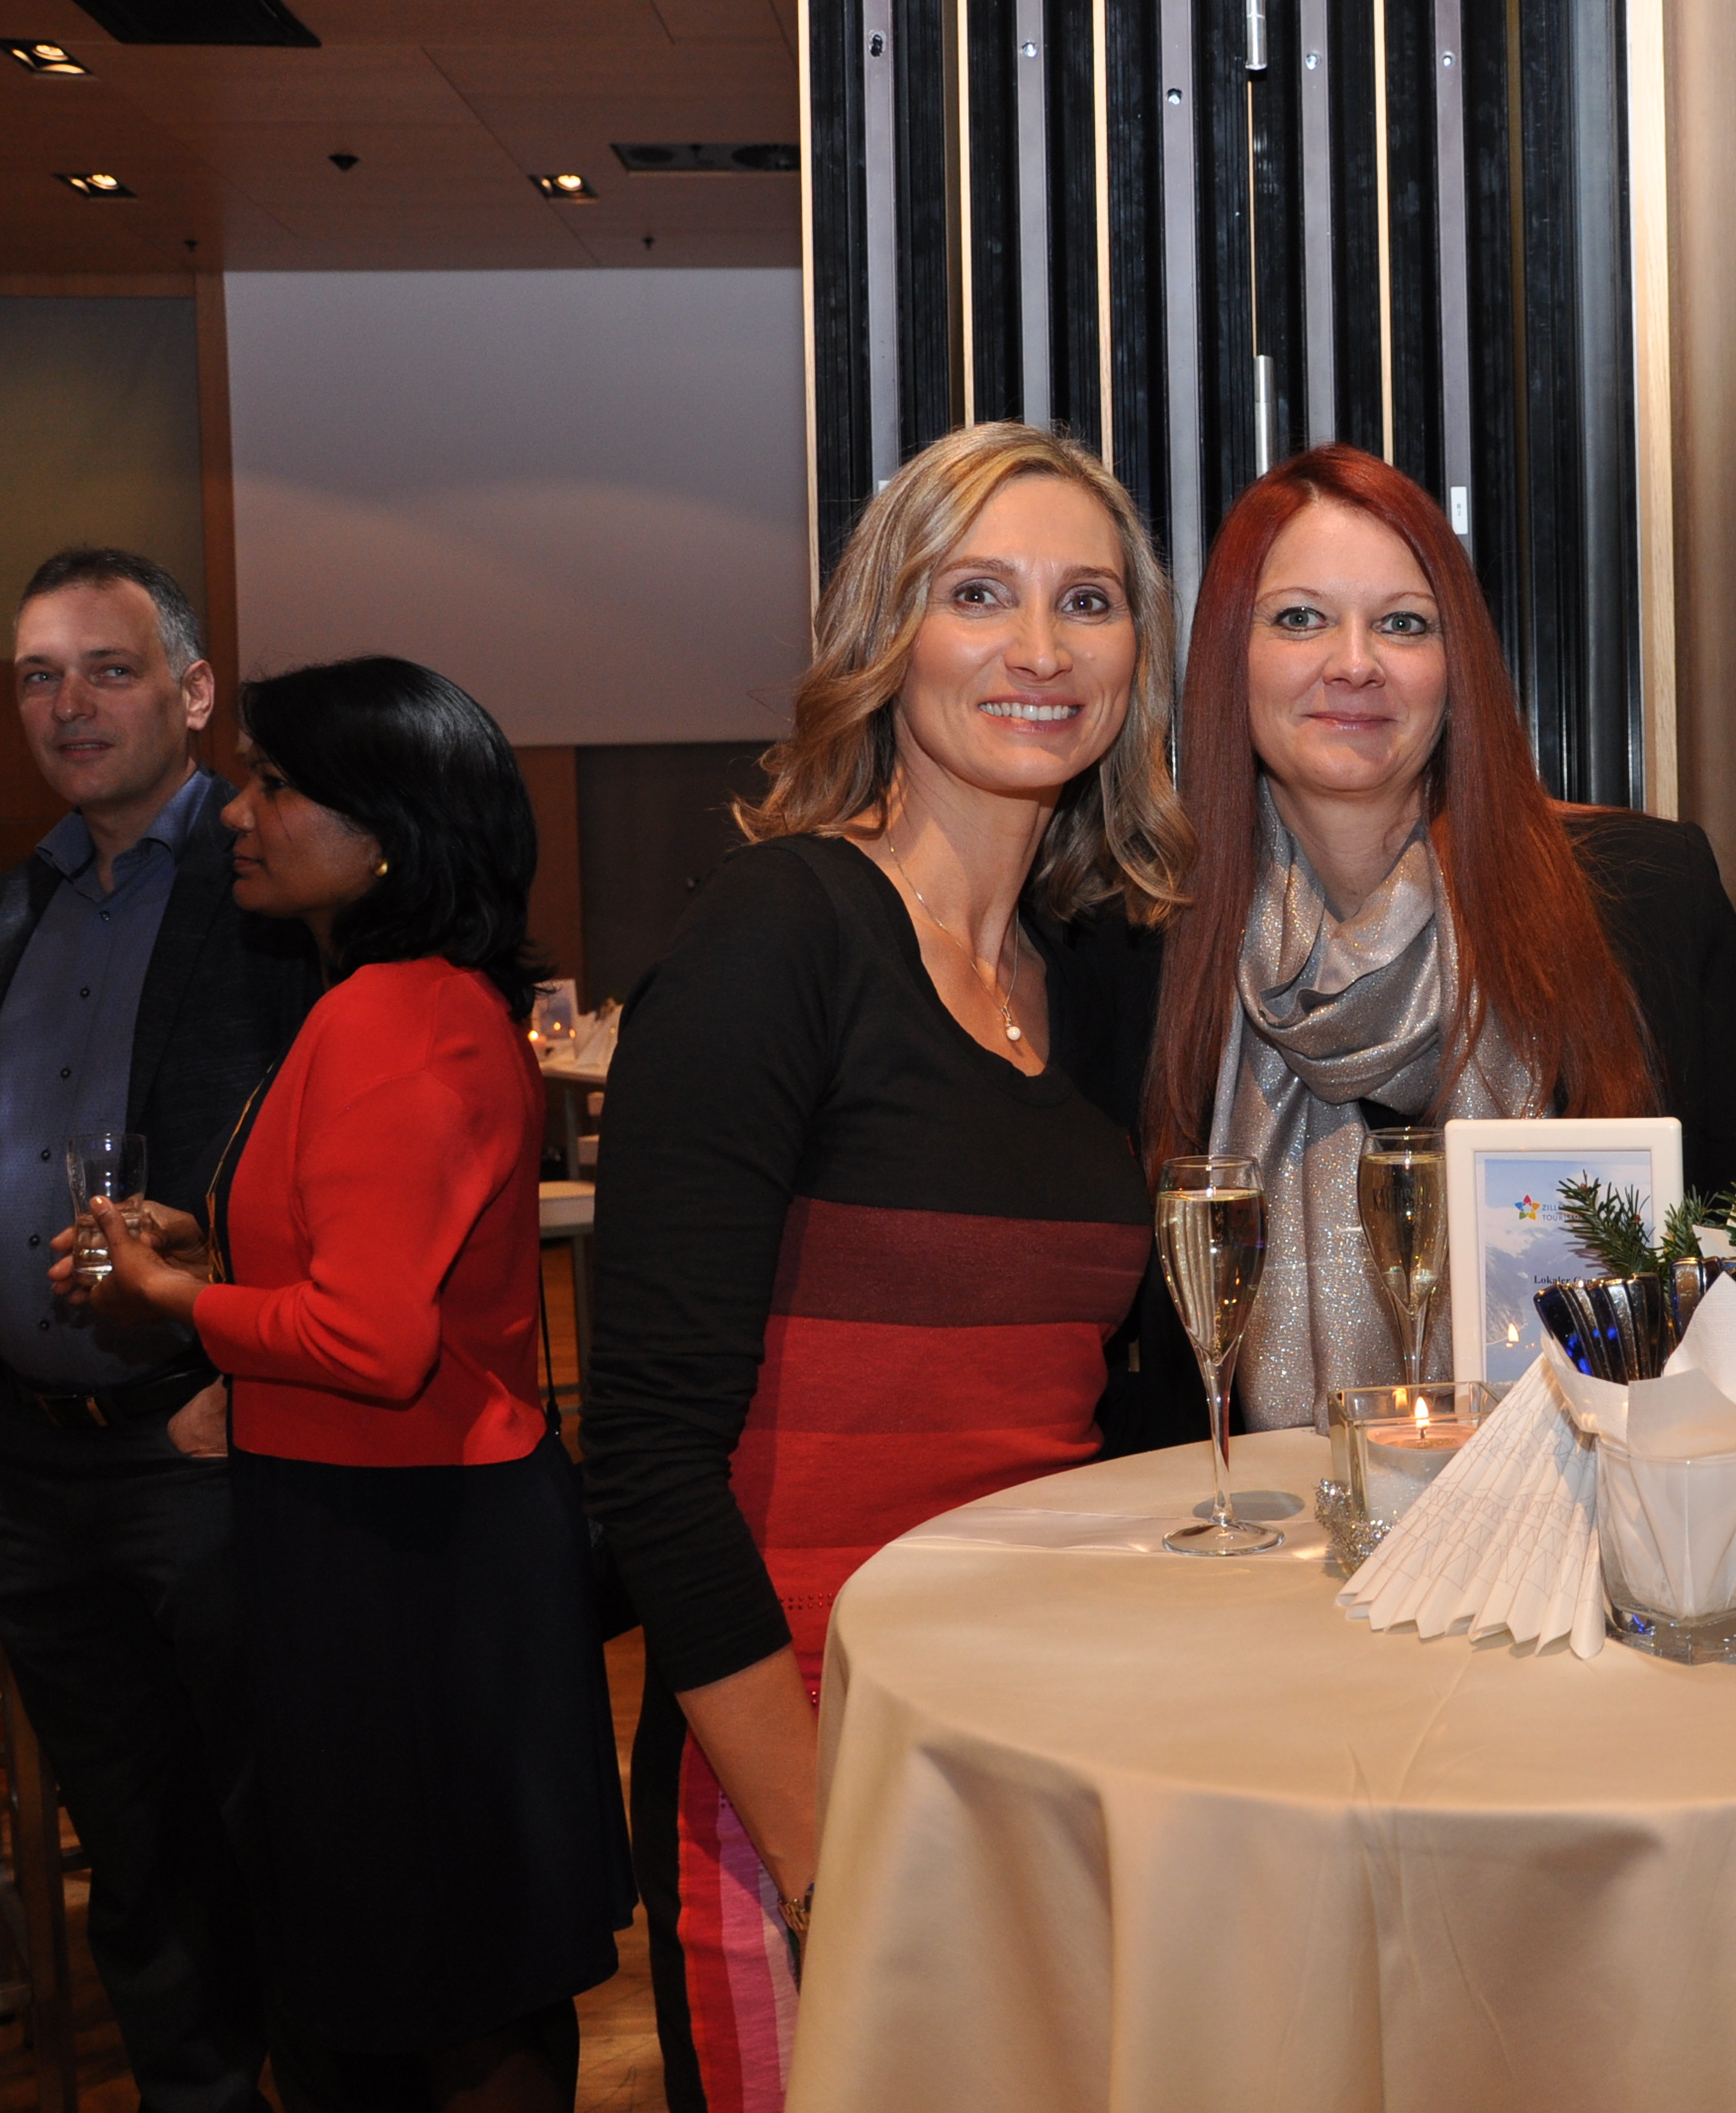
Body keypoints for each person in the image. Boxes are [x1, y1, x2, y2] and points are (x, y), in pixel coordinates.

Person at [580, 422, 1194, 2113]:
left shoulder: (1091, 979)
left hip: (1041, 1740)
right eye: (976, 594)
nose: (1039, 647)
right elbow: (647, 1452)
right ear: (885, 634)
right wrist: (822, 1851)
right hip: (806, 1755)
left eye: (1088, 601)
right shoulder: (782, 930)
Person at [57, 655, 632, 2112]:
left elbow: (374, 1345)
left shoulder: (393, 1016)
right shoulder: (409, 1001)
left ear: (386, 831)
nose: (236, 813)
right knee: (451, 1966)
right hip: (404, 1539)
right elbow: (369, 1255)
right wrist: (206, 1244)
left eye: (274, 785)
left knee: (449, 1978)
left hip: (411, 1556)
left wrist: (169, 1298)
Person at [1141, 443, 1736, 1426]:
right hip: (1257, 1512)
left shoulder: (1647, 898)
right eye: (1300, 618)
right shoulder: (1146, 943)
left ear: (1459, 669)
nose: (1354, 662)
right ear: (1230, 655)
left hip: (1593, 1494)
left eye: (1403, 623)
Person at [0, 547, 320, 2113]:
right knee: (135, 1856)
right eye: (39, 674)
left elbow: (317, 1152)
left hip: (199, 1445)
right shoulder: (21, 893)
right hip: (41, 1463)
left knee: (266, 1825)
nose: (69, 705)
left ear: (194, 692)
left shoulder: (265, 881)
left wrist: (235, 1361)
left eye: (109, 668)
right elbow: (1, 1124)